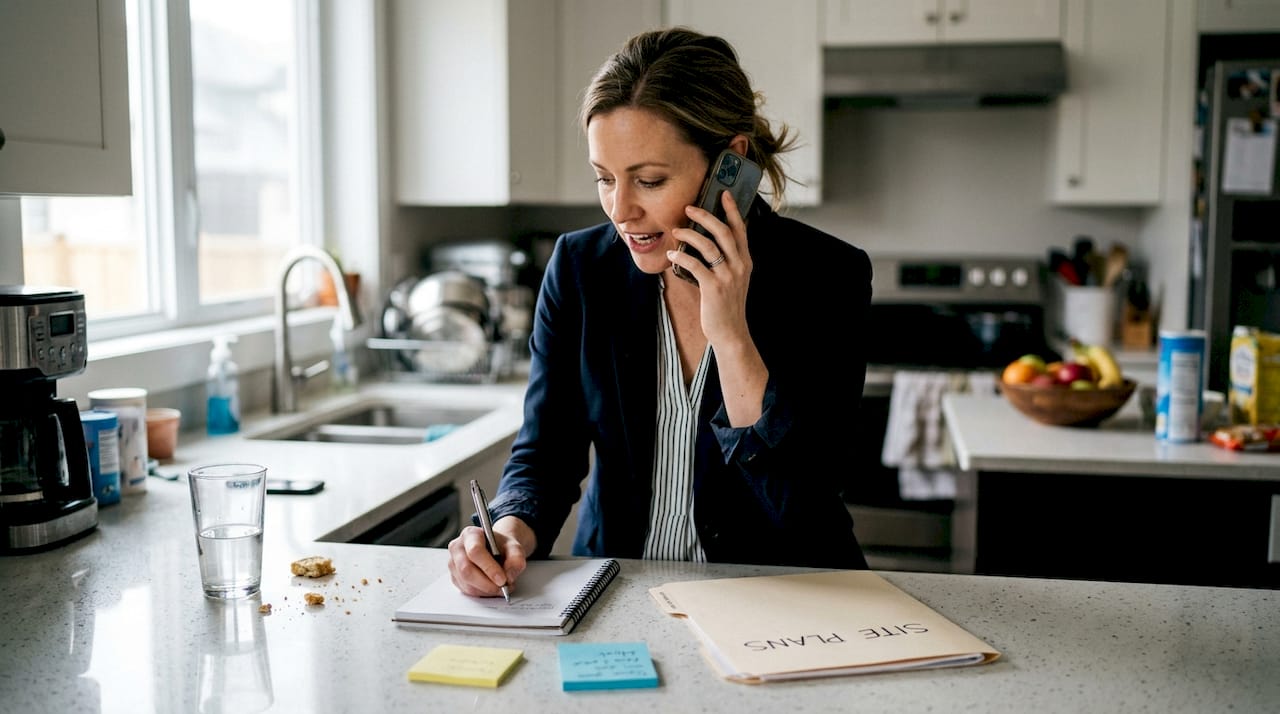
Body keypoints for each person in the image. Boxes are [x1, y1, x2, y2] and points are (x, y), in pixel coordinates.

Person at [448, 27, 872, 598]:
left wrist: (731, 335)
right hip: (621, 597)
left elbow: (802, 505)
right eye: (604, 178)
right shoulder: (579, 268)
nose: (621, 210)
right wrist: (507, 530)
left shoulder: (824, 275)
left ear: (731, 162)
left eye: (649, 180)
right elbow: (546, 453)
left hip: (786, 602)